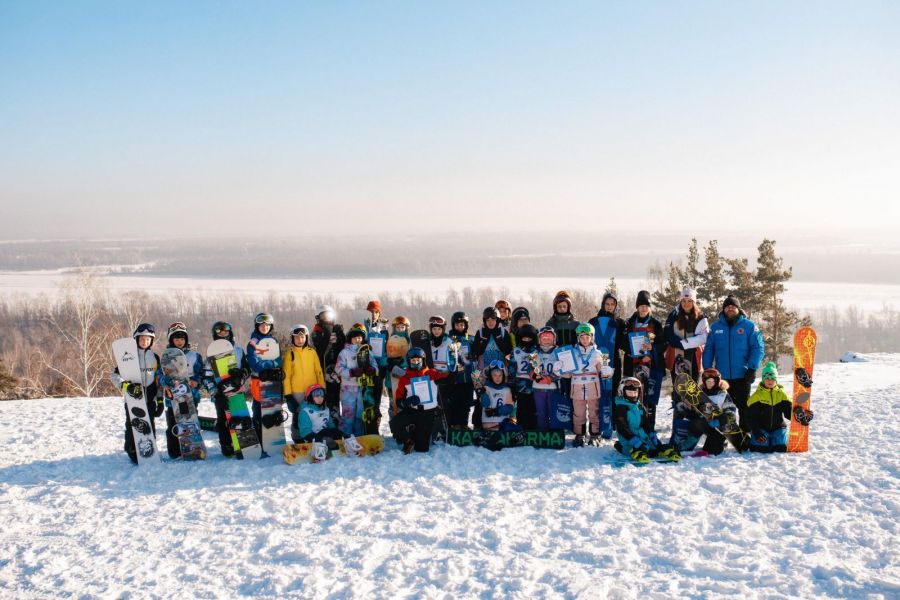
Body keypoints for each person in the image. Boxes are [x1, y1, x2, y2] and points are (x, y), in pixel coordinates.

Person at [702, 295, 765, 430]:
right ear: (724, 309)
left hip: (742, 374)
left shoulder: (749, 326)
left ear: (738, 309)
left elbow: (758, 348)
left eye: (733, 306)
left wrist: (752, 368)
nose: (730, 309)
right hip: (721, 377)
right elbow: (708, 349)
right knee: (723, 407)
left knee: (744, 406)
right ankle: (723, 433)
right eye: (727, 307)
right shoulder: (715, 327)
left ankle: (745, 434)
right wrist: (708, 371)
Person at [111, 323, 163, 464]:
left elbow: (159, 381)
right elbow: (114, 375)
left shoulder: (155, 358)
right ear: (136, 339)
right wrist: (125, 386)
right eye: (142, 339)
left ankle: (150, 451)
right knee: (133, 425)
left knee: (149, 426)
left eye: (147, 339)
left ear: (151, 341)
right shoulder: (128, 356)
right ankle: (132, 450)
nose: (144, 342)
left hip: (150, 399)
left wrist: (160, 401)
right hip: (133, 400)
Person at [664, 287, 709, 428]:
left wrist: (684, 343)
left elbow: (704, 337)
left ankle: (693, 419)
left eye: (689, 301)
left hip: (694, 356)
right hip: (677, 356)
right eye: (684, 300)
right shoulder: (674, 314)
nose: (686, 303)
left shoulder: (701, 317)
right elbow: (667, 331)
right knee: (678, 389)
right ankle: (678, 419)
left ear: (694, 302)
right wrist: (674, 342)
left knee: (692, 389)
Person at [391, 347, 450, 453]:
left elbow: (447, 376)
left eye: (418, 360)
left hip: (428, 413)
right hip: (413, 410)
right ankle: (408, 441)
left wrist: (454, 367)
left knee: (422, 449)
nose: (415, 362)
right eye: (413, 360)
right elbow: (399, 399)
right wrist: (406, 402)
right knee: (395, 423)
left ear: (423, 360)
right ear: (408, 361)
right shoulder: (405, 378)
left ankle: (416, 433)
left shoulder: (431, 373)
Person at [622, 291, 666, 431]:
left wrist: (651, 350)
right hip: (632, 365)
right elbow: (622, 343)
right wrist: (633, 351)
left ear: (650, 307)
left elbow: (663, 344)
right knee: (632, 395)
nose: (643, 308)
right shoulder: (628, 323)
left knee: (649, 398)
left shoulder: (656, 324)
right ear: (637, 307)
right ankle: (634, 426)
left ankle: (649, 426)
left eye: (646, 305)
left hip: (651, 366)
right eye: (641, 305)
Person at [205, 320, 249, 457]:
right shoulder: (211, 353)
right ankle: (227, 444)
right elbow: (206, 377)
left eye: (226, 332)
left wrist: (241, 376)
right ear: (215, 335)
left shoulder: (238, 350)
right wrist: (216, 393)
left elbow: (247, 368)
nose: (224, 335)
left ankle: (245, 443)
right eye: (220, 332)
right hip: (220, 393)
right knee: (223, 419)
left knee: (239, 415)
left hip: (236, 390)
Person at [161, 322, 205, 459]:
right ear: (171, 340)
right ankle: (175, 452)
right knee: (173, 424)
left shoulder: (194, 356)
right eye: (176, 339)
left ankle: (193, 448)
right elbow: (160, 376)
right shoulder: (165, 357)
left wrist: (196, 381)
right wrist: (166, 382)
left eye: (182, 339)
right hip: (172, 399)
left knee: (190, 423)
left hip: (190, 397)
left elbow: (201, 373)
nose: (179, 342)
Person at [613, 377, 680, 463]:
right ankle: (620, 447)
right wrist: (635, 442)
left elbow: (645, 423)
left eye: (635, 393)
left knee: (655, 448)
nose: (633, 395)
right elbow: (622, 428)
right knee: (644, 450)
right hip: (628, 440)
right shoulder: (620, 408)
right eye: (629, 393)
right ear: (622, 392)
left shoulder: (638, 406)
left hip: (642, 439)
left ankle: (659, 450)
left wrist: (653, 437)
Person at [672, 368, 737, 456]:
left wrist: (720, 421)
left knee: (712, 451)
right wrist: (685, 409)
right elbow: (696, 412)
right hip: (705, 422)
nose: (710, 384)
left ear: (717, 381)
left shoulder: (723, 395)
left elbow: (731, 412)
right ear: (704, 381)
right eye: (708, 381)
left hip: (720, 426)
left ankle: (720, 442)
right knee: (696, 423)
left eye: (712, 381)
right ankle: (689, 443)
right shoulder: (699, 394)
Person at [588, 292, 626, 438]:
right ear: (603, 304)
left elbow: (624, 344)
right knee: (598, 393)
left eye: (612, 304)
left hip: (614, 362)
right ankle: (597, 424)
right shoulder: (593, 322)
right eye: (607, 304)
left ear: (615, 306)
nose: (609, 307)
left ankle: (611, 423)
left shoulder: (620, 323)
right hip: (596, 363)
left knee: (613, 393)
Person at [570, 323, 614, 447]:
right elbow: (567, 373)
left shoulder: (597, 353)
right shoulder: (572, 353)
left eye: (587, 337)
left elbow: (602, 370)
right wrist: (560, 369)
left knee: (594, 411)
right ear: (578, 338)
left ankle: (595, 434)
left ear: (592, 338)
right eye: (582, 337)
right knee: (578, 412)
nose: (585, 340)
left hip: (592, 386)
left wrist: (607, 371)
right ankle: (580, 434)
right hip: (577, 386)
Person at [283, 324, 325, 443]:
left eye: (302, 337)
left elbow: (318, 371)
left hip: (312, 390)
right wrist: (288, 395)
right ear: (292, 338)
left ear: (306, 338)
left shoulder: (312, 352)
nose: (300, 340)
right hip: (297, 391)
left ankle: (314, 436)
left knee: (313, 414)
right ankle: (297, 438)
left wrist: (322, 389)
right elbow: (286, 376)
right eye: (296, 337)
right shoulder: (290, 354)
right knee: (299, 415)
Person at [471, 306, 512, 429]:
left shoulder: (503, 332)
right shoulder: (481, 332)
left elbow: (508, 350)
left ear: (498, 320)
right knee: (483, 395)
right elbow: (476, 351)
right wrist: (483, 341)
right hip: (484, 370)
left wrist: (499, 339)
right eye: (487, 320)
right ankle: (478, 424)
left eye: (493, 319)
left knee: (499, 395)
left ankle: (501, 422)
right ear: (484, 321)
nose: (490, 322)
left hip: (498, 370)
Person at [746, 362, 799, 453]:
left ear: (776, 380)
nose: (770, 381)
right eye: (767, 379)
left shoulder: (782, 394)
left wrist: (798, 415)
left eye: (772, 379)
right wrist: (756, 432)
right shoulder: (757, 396)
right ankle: (756, 439)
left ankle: (775, 439)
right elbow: (751, 417)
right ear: (763, 379)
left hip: (778, 427)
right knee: (760, 449)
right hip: (761, 428)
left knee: (781, 448)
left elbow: (788, 412)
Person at [247, 312, 283, 444]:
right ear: (257, 326)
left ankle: (272, 440)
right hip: (258, 381)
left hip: (273, 381)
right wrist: (270, 364)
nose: (264, 327)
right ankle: (259, 439)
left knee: (272, 411)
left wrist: (272, 365)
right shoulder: (253, 342)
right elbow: (254, 364)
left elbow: (279, 360)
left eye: (267, 325)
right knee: (258, 411)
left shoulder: (273, 341)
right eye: (262, 325)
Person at [336, 323, 374, 437]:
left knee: (360, 414)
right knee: (348, 414)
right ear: (350, 339)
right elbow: (338, 369)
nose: (358, 340)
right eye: (355, 337)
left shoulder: (367, 352)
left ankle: (359, 436)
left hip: (363, 388)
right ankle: (346, 436)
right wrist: (351, 372)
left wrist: (372, 370)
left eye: (360, 337)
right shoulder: (344, 353)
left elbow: (374, 365)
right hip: (348, 388)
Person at [311, 305, 345, 423]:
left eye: (328, 315)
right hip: (322, 368)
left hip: (336, 368)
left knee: (335, 396)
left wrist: (341, 335)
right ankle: (324, 423)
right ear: (318, 317)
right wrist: (327, 334)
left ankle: (336, 422)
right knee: (324, 397)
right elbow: (320, 350)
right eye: (323, 316)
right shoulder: (316, 332)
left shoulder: (336, 329)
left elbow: (342, 348)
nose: (326, 318)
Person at [445, 311, 475, 430]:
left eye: (462, 325)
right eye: (457, 325)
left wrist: (474, 356)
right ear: (453, 325)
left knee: (466, 402)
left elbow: (477, 351)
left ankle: (464, 423)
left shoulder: (470, 339)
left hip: (468, 377)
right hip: (455, 377)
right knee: (455, 402)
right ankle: (454, 424)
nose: (460, 327)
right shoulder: (449, 339)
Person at [363, 300, 389, 433]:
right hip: (363, 370)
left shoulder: (384, 329)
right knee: (366, 401)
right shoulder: (362, 326)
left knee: (377, 402)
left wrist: (382, 367)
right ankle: (364, 429)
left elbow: (387, 349)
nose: (373, 314)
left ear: (379, 313)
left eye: (376, 312)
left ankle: (375, 429)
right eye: (371, 312)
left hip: (378, 371)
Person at [509, 324, 539, 429]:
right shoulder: (516, 351)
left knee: (533, 407)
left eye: (529, 338)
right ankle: (521, 426)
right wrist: (512, 385)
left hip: (535, 385)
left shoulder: (537, 351)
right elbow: (512, 369)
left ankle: (533, 426)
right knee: (521, 407)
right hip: (520, 384)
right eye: (524, 338)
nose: (527, 340)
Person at [533, 327, 562, 431]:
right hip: (538, 387)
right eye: (544, 339)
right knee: (541, 411)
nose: (546, 341)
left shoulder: (558, 352)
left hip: (553, 388)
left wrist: (550, 378)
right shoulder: (535, 353)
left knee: (553, 411)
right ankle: (542, 431)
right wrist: (535, 376)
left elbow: (561, 369)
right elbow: (530, 368)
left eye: (549, 338)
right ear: (539, 340)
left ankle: (554, 431)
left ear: (554, 339)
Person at [479, 360, 516, 431]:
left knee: (508, 427)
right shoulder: (486, 388)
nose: (497, 378)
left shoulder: (507, 389)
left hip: (502, 421)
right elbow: (485, 404)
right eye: (495, 375)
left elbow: (510, 407)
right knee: (503, 428)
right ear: (490, 376)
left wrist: (497, 411)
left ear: (503, 375)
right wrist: (483, 393)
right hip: (488, 422)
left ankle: (499, 431)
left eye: (500, 375)